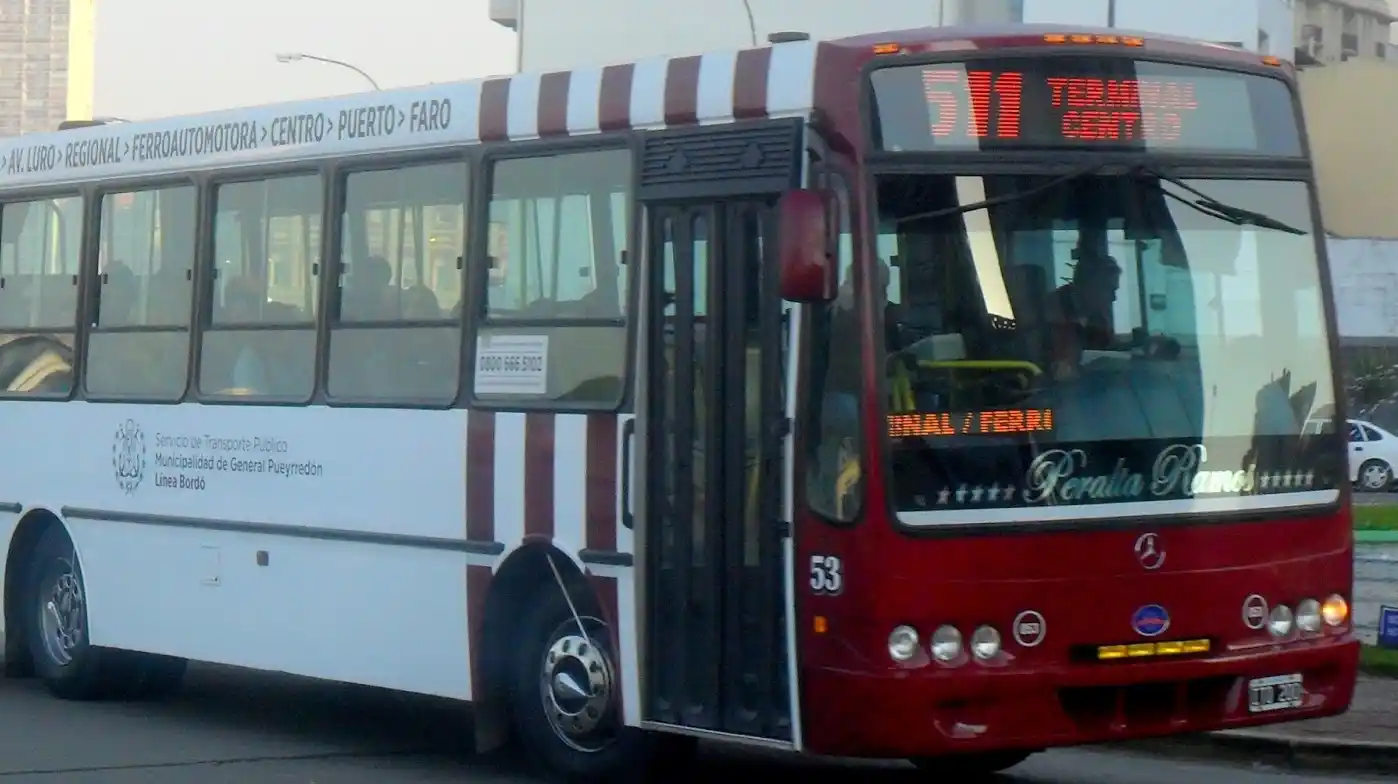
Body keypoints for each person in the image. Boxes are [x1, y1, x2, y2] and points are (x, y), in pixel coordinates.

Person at [1045, 249, 1121, 381]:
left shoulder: (1098, 316)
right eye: (1109, 289)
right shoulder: (1052, 310)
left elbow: (1106, 351)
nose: (1114, 298)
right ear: (1088, 286)